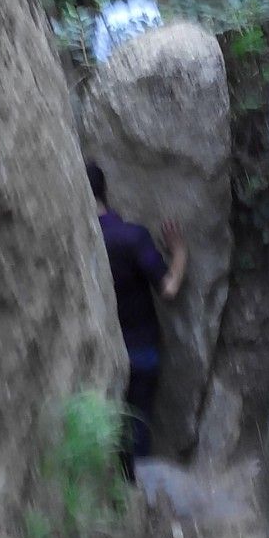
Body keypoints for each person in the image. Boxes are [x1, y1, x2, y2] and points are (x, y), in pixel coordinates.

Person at [87, 160, 186, 469]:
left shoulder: (79, 243)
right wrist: (180, 252)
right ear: (106, 191)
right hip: (141, 350)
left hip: (98, 353)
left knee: (103, 434)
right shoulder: (132, 237)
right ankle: (136, 499)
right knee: (136, 430)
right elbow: (168, 290)